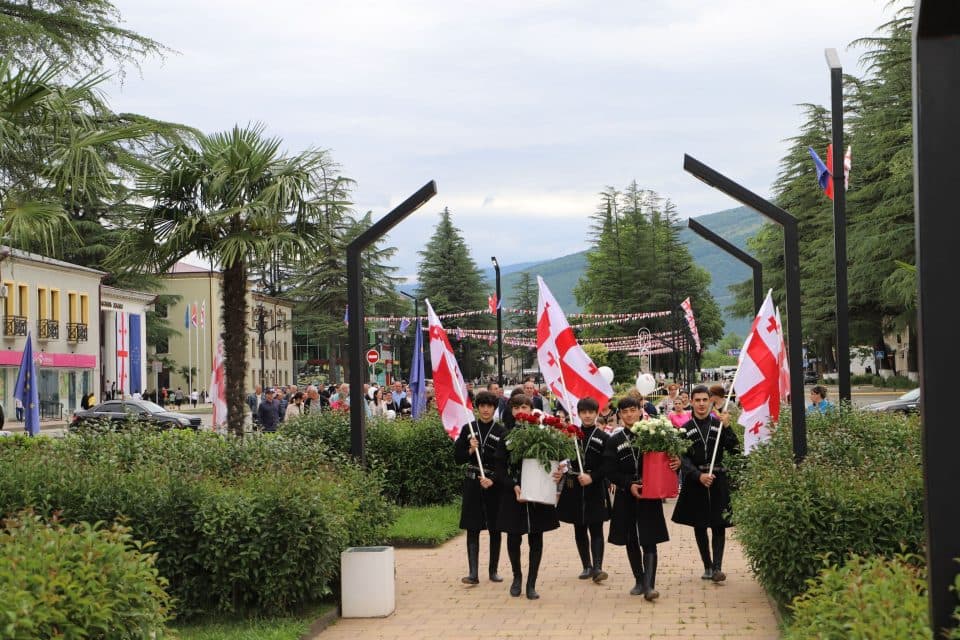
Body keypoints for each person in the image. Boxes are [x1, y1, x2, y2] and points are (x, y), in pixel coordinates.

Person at [604, 396, 681, 599]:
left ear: (640, 411)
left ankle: (649, 586)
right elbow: (610, 471)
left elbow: (669, 459)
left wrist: (676, 462)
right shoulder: (614, 441)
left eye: (633, 410)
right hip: (626, 494)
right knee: (630, 539)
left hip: (650, 493)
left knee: (649, 538)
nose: (629, 414)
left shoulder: (655, 435)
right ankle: (639, 580)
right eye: (625, 411)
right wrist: (628, 484)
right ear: (620, 415)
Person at [495, 393, 561, 599]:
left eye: (525, 407)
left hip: (537, 494)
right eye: (516, 407)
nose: (521, 411)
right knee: (513, 538)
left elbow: (556, 460)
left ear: (531, 410)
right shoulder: (506, 436)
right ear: (511, 411)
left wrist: (559, 472)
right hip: (514, 494)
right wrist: (513, 485)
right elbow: (499, 469)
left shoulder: (543, 434)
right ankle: (517, 577)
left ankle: (531, 583)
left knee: (536, 537)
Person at [671, 385, 739, 583]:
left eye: (704, 400)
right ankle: (707, 566)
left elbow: (734, 449)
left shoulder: (719, 426)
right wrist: (697, 476)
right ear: (690, 402)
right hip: (696, 481)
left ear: (711, 401)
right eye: (697, 400)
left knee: (719, 525)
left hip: (717, 479)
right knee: (699, 525)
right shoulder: (684, 429)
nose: (701, 404)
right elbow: (682, 459)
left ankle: (718, 567)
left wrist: (728, 427)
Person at [453, 390, 505, 585]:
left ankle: (493, 570)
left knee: (495, 528)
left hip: (493, 484)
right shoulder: (469, 429)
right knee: (472, 526)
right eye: (482, 406)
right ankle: (473, 573)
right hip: (473, 482)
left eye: (489, 406)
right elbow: (457, 458)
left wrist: (494, 480)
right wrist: (469, 449)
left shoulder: (501, 431)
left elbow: (505, 464)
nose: (485, 410)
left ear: (494, 408)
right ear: (477, 408)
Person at [556, 397, 610, 583]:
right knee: (579, 527)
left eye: (591, 412)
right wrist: (561, 471)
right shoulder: (571, 435)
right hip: (575, 486)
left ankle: (597, 567)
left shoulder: (604, 437)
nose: (587, 416)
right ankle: (586, 565)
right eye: (584, 412)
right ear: (578, 414)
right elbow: (562, 459)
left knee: (596, 527)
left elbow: (607, 465)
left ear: (597, 414)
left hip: (595, 487)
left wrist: (592, 477)